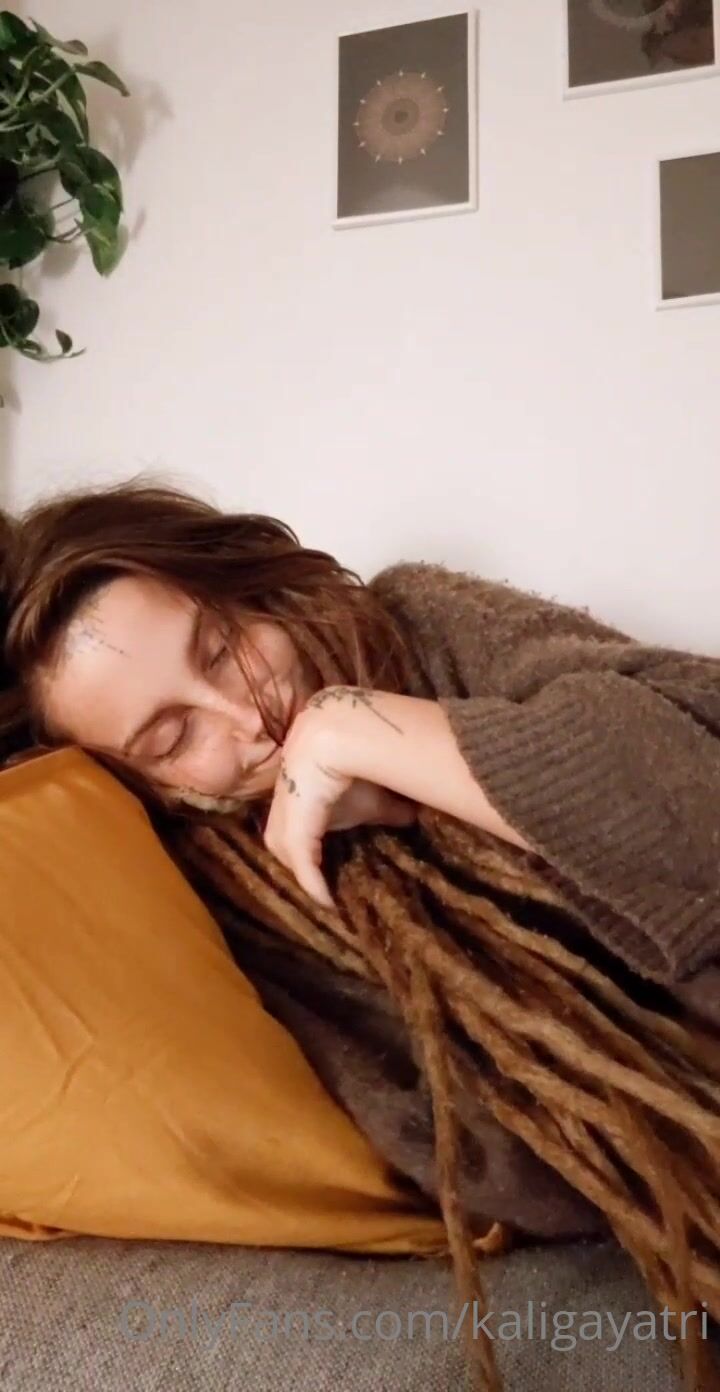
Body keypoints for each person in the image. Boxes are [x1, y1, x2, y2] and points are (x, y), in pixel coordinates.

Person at [2, 477, 720, 1392]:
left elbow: (699, 785)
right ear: (147, 786)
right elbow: (498, 1162)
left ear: (248, 589)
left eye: (222, 648)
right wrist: (405, 821)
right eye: (173, 737)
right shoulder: (244, 897)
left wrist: (390, 739)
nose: (249, 716)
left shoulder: (419, 618)